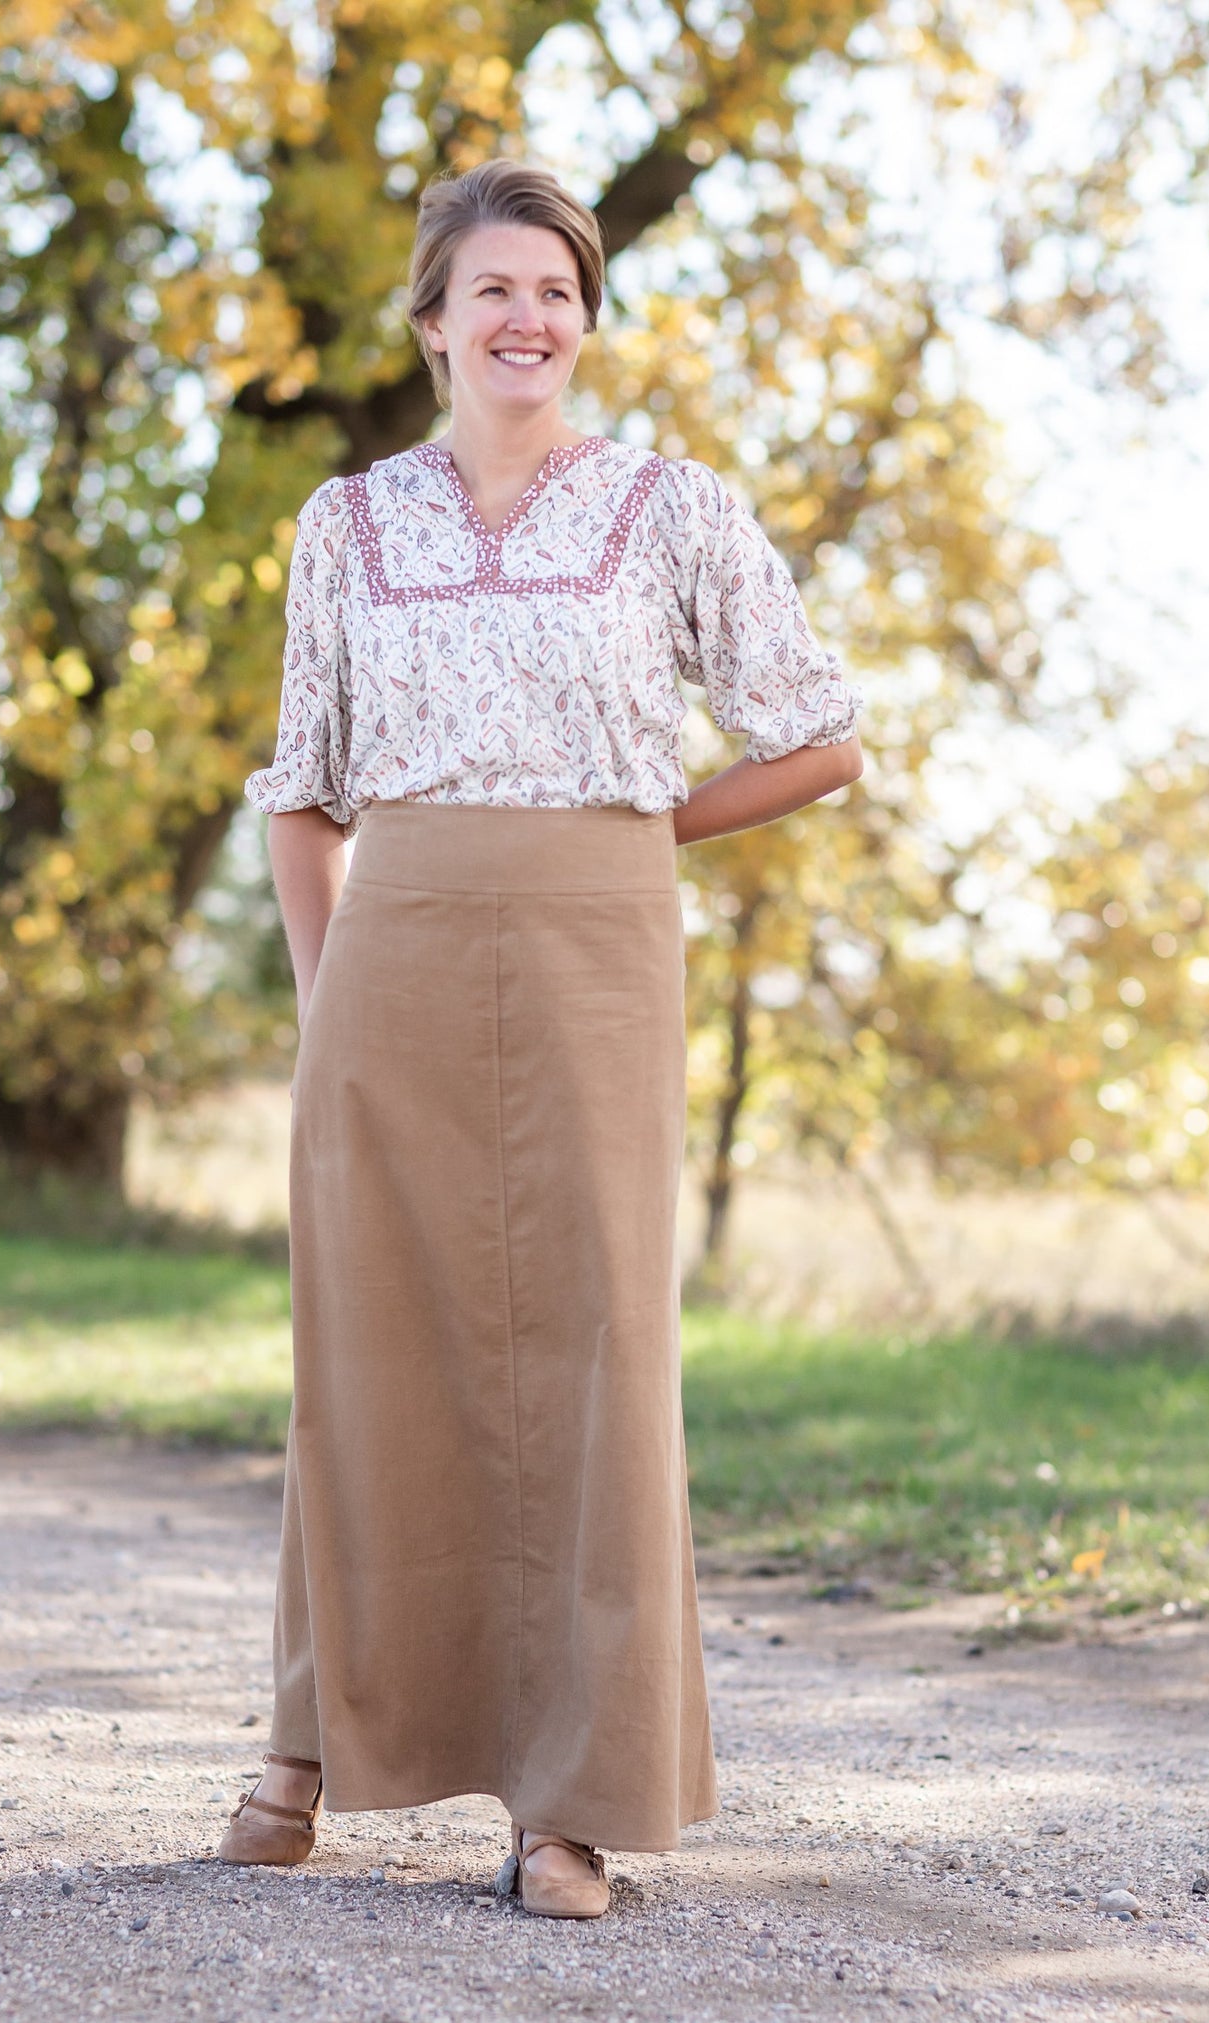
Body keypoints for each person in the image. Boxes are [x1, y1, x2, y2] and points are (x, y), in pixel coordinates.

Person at [220, 158, 863, 1919]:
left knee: (593, 1351)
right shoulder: (343, 526)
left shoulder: (670, 511)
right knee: (363, 1339)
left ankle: (567, 1807)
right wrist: (320, 999)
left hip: (595, 940)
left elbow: (817, 738)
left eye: (557, 293)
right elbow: (302, 793)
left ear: (585, 324)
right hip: (389, 946)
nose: (526, 318)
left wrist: (626, 833)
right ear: (431, 322)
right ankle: (303, 1747)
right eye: (492, 288)